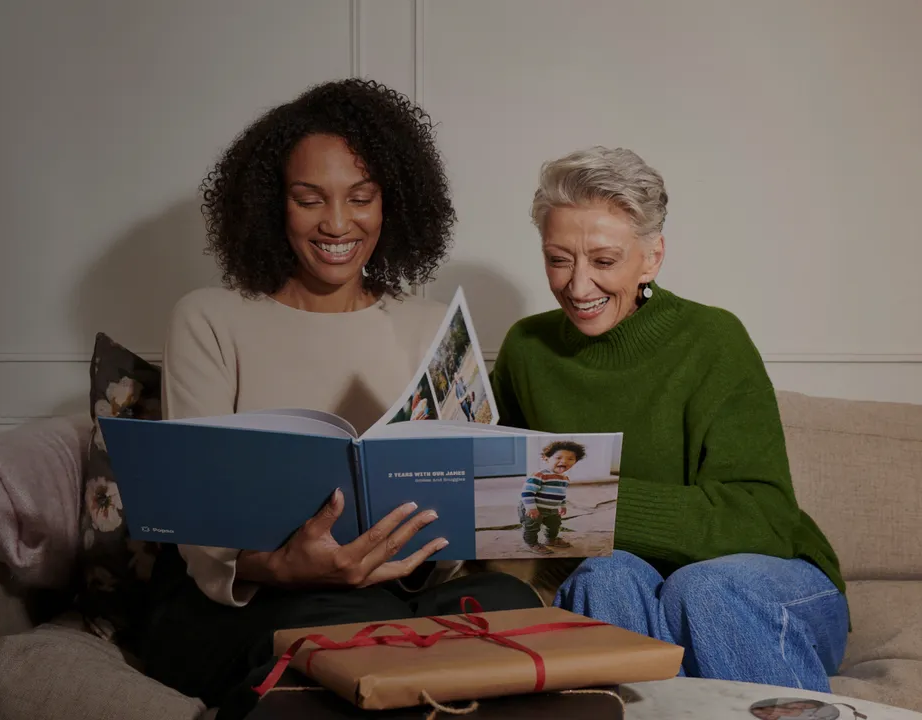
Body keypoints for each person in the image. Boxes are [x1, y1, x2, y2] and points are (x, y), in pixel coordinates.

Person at [142, 79, 543, 719]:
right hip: (250, 599)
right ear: (272, 204)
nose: (336, 223)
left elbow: (451, 531)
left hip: (390, 592)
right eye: (309, 200)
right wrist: (284, 566)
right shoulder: (209, 318)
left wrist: (449, 528)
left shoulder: (431, 327)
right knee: (344, 617)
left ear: (393, 204)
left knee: (509, 603)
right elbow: (198, 529)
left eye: (361, 198)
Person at [490, 146, 847, 692]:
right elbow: (507, 503)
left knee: (699, 589)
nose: (578, 286)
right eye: (558, 259)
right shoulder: (525, 349)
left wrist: (589, 504)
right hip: (631, 581)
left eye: (603, 261)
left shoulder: (714, 340)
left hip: (767, 583)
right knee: (602, 577)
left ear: (651, 257)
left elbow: (765, 521)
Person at [518, 440, 581, 554]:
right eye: (558, 458)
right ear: (546, 458)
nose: (564, 461)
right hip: (534, 508)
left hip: (552, 509)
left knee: (554, 525)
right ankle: (531, 543)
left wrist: (562, 505)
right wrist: (531, 507)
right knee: (532, 526)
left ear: (575, 462)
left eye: (570, 459)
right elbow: (527, 492)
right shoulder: (540, 475)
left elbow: (561, 494)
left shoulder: (564, 479)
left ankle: (551, 539)